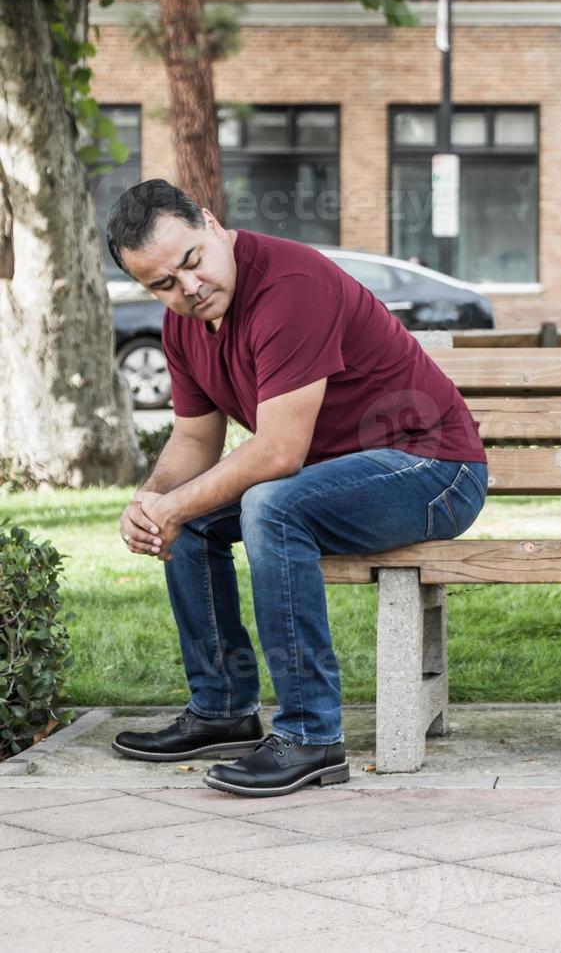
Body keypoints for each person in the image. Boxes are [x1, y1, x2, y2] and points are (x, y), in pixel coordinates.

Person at [106, 179, 489, 797]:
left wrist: (177, 502)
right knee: (197, 520)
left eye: (191, 261)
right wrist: (151, 504)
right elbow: (193, 443)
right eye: (163, 285)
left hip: (434, 469)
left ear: (210, 223)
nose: (189, 288)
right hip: (332, 477)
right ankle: (222, 708)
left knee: (271, 504)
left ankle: (312, 736)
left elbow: (280, 452)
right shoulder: (183, 325)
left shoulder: (289, 286)